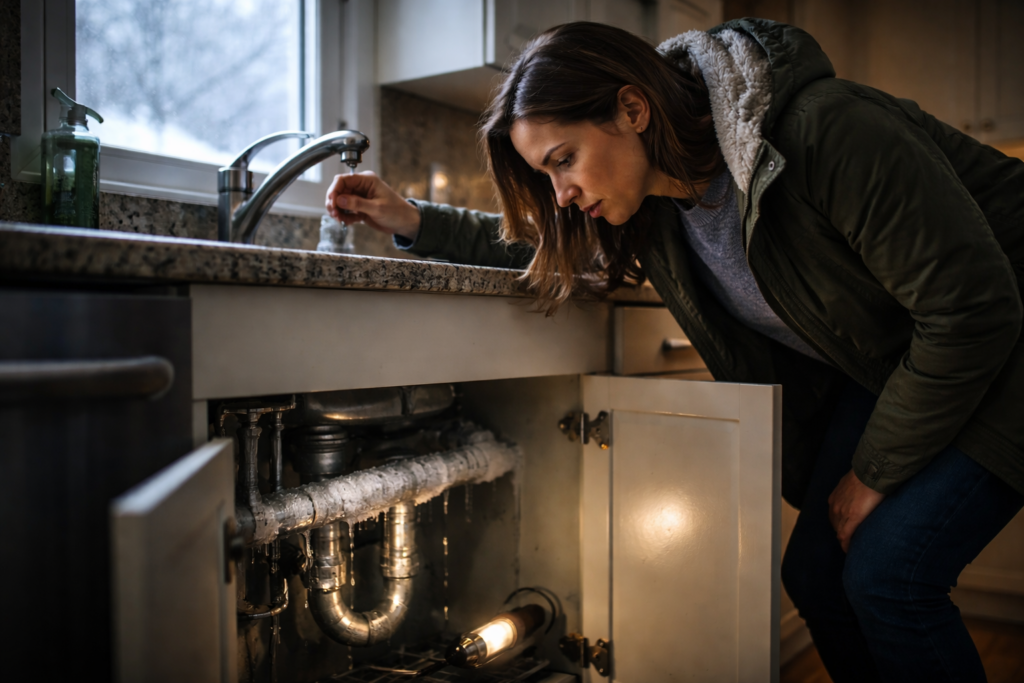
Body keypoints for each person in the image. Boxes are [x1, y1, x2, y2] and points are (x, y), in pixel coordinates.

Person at [326, 19, 1024, 682]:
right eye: (547, 174)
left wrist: (870, 474)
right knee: (814, 576)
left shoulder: (828, 131)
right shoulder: (654, 202)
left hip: (1003, 333)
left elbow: (973, 308)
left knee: (889, 574)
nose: (561, 194)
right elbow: (542, 239)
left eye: (563, 161)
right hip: (909, 358)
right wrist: (411, 219)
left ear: (633, 109)